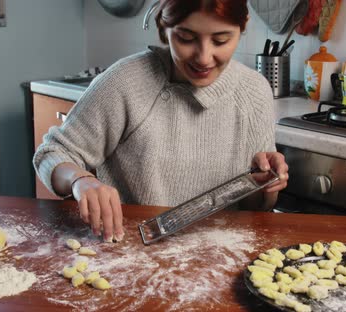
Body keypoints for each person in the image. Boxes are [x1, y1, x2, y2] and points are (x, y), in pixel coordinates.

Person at [33, 0, 289, 243]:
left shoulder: (254, 91)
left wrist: (265, 185)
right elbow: (51, 154)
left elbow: (259, 208)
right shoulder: (125, 82)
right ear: (163, 27)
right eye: (186, 38)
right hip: (134, 250)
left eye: (221, 40)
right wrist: (80, 180)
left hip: (223, 255)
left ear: (242, 27)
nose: (203, 57)